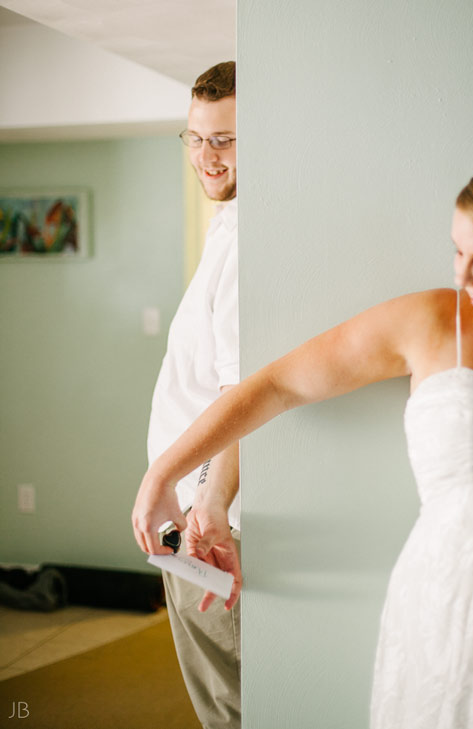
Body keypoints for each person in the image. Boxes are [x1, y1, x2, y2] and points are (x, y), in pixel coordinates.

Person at [134, 148, 473, 728]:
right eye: (459, 253)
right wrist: (166, 475)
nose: (463, 277)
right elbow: (276, 385)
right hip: (455, 609)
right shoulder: (433, 322)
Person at [144, 61, 242, 729]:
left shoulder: (248, 238)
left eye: (226, 139)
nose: (206, 156)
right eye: (196, 138)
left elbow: (243, 392)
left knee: (231, 707)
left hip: (211, 526)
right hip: (202, 511)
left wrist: (207, 498)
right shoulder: (229, 223)